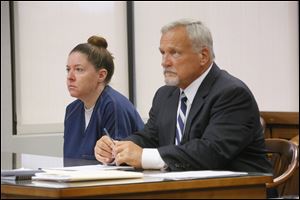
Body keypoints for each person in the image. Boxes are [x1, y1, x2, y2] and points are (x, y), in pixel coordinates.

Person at [94, 19, 272, 174]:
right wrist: (118, 147)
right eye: (162, 53)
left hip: (240, 191)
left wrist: (143, 156)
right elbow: (150, 137)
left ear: (203, 56)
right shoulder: (165, 94)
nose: (164, 62)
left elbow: (211, 152)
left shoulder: (231, 94)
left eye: (175, 53)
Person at [64, 35, 144, 159]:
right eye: (68, 69)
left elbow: (118, 164)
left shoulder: (113, 106)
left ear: (101, 75)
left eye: (79, 69)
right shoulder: (71, 111)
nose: (70, 76)